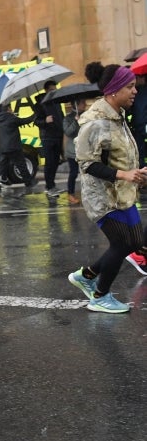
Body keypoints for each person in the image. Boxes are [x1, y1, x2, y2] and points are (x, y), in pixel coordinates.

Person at [68, 64, 147, 311]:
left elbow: (119, 155)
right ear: (114, 90)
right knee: (122, 243)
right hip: (102, 197)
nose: (135, 91)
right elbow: (87, 163)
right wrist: (124, 174)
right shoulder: (96, 122)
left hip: (123, 192)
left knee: (135, 241)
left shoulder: (118, 115)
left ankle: (87, 275)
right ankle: (100, 296)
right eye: (130, 86)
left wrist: (137, 173)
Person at [0, 103, 37, 197]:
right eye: (10, 108)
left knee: (1, 165)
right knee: (21, 164)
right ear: (8, 108)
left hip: (3, 147)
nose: (12, 109)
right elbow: (25, 121)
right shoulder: (11, 117)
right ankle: (28, 182)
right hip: (14, 146)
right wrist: (35, 114)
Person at [34, 80, 65, 198]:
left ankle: (52, 184)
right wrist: (45, 121)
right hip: (47, 137)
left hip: (58, 135)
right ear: (46, 90)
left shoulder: (56, 102)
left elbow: (61, 116)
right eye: (52, 90)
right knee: (49, 163)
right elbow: (36, 121)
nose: (54, 92)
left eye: (55, 90)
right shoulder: (40, 103)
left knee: (56, 162)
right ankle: (49, 187)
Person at [62, 99, 87, 205]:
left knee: (88, 173)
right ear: (76, 105)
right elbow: (68, 132)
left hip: (85, 150)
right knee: (73, 173)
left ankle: (88, 193)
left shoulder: (86, 115)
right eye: (82, 103)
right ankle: (71, 194)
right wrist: (75, 121)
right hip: (73, 151)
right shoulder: (68, 118)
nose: (85, 104)